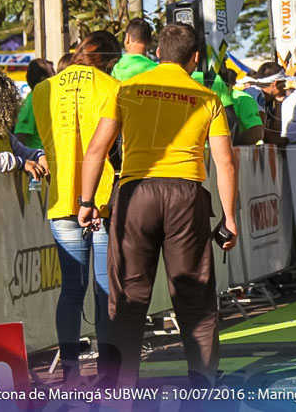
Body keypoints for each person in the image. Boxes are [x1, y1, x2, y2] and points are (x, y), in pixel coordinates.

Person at [77, 23, 238, 388]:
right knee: (194, 296)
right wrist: (229, 218)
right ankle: (203, 383)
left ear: (157, 53)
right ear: (195, 58)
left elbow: (97, 150)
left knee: (128, 298)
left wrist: (87, 201)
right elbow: (225, 163)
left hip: (136, 194)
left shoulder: (126, 90)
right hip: (186, 194)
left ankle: (120, 387)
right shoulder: (207, 97)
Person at [32, 31, 121, 384]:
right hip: (99, 201)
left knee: (72, 289)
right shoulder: (111, 87)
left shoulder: (43, 89)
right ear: (109, 58)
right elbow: (115, 146)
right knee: (103, 290)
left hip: (61, 198)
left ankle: (69, 373)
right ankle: (109, 373)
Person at [14, 58, 55, 151]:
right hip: (39, 159)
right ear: (44, 80)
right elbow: (20, 133)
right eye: (53, 74)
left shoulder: (48, 97)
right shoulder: (33, 99)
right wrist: (27, 159)